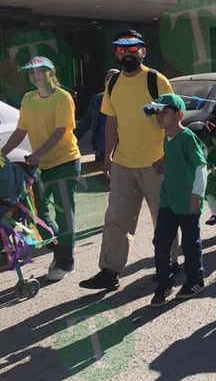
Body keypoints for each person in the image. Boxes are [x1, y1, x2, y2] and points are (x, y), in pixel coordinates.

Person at [80, 30, 173, 291]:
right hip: (123, 162)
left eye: (133, 48)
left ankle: (169, 264)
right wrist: (108, 156)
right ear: (116, 53)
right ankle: (109, 272)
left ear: (143, 51)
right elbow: (112, 120)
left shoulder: (156, 80)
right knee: (116, 218)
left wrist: (168, 155)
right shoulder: (113, 83)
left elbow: (173, 119)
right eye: (122, 49)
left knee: (163, 216)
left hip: (155, 161)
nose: (128, 53)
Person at [1, 56, 81, 281]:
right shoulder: (28, 99)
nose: (36, 76)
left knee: (65, 212)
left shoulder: (63, 98)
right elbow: (21, 130)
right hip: (40, 166)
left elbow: (60, 131)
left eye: (40, 71)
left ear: (51, 73)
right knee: (39, 214)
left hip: (65, 162)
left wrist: (38, 154)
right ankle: (61, 248)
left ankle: (66, 262)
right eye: (32, 72)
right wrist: (2, 153)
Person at [144, 94, 207, 306]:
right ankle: (164, 284)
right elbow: (173, 156)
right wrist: (162, 162)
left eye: (165, 113)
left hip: (187, 200)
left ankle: (195, 280)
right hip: (168, 199)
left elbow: (200, 166)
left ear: (179, 115)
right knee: (161, 242)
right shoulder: (167, 137)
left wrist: (196, 195)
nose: (160, 117)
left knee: (190, 244)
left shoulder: (187, 137)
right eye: (158, 113)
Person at [74, 68, 120, 163]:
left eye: (114, 78)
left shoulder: (126, 100)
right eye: (107, 78)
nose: (110, 81)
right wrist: (72, 139)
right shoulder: (97, 99)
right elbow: (85, 123)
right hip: (101, 151)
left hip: (120, 151)